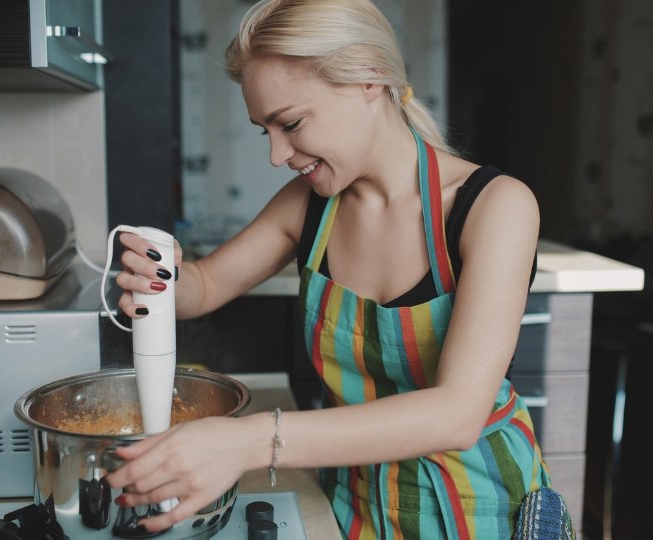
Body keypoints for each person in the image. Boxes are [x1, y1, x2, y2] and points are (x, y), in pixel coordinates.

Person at [108, 0, 559, 537]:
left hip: (475, 504)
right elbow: (203, 287)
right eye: (264, 131)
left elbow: (456, 415)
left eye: (291, 123)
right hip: (351, 499)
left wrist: (248, 441)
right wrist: (160, 282)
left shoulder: (494, 206)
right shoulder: (309, 207)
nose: (278, 155)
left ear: (370, 79)